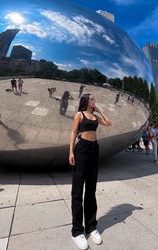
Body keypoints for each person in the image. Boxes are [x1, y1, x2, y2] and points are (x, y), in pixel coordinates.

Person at [69, 93, 111, 250]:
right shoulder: (79, 115)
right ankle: (77, 231)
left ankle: (91, 227)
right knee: (78, 190)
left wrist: (99, 111)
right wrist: (71, 152)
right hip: (82, 149)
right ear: (86, 101)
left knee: (91, 190)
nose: (95, 101)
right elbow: (73, 133)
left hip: (95, 149)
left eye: (95, 99)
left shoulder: (94, 117)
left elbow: (109, 123)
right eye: (92, 99)